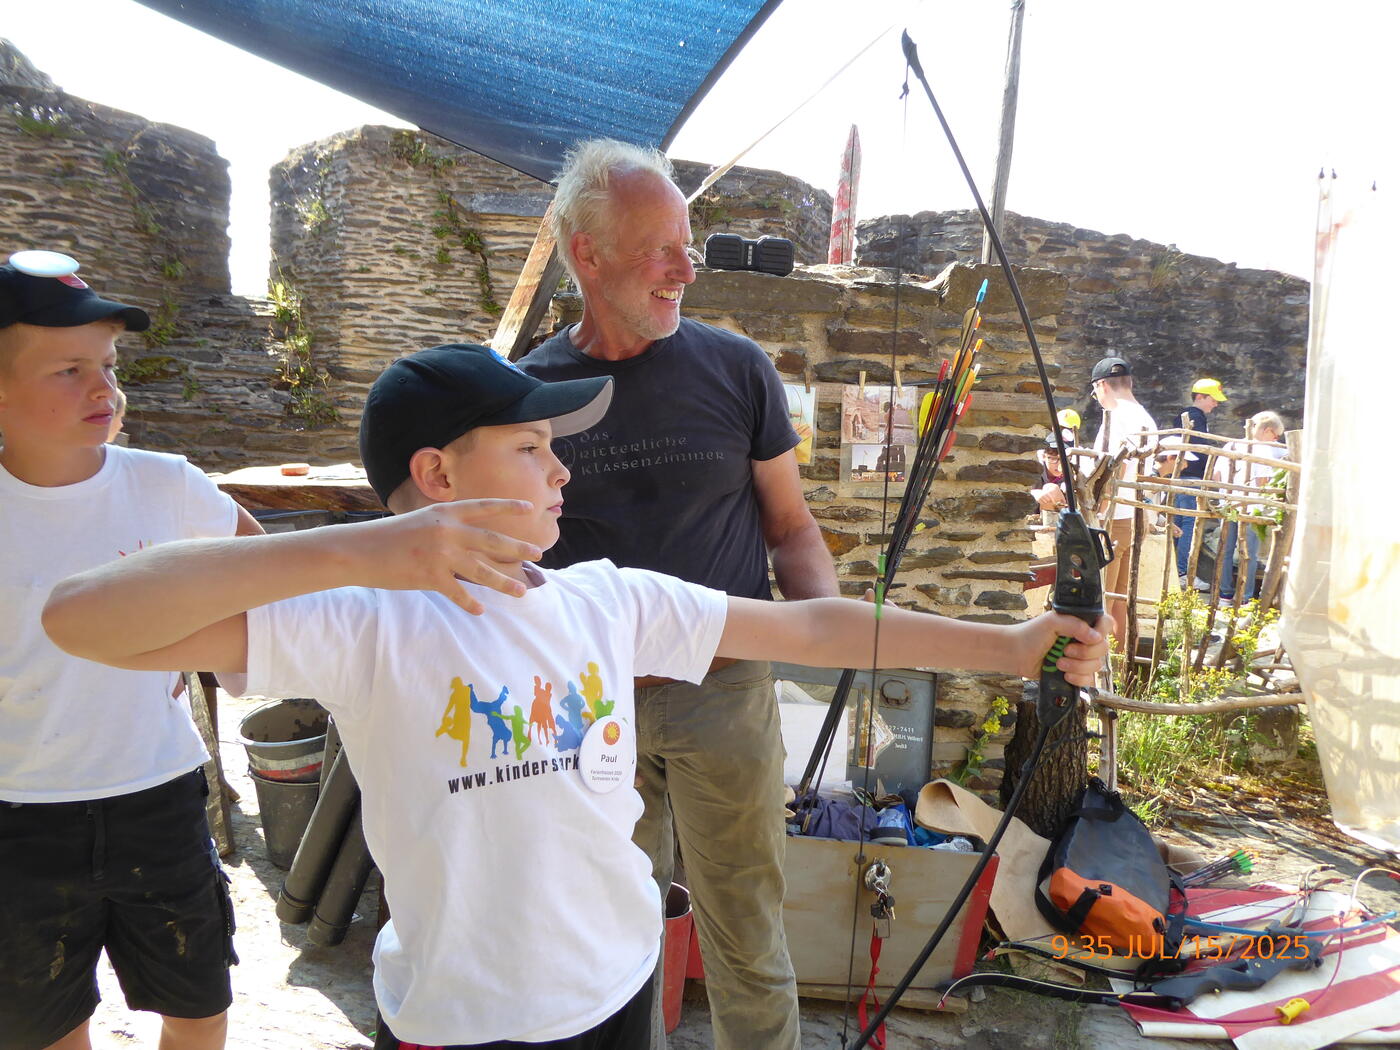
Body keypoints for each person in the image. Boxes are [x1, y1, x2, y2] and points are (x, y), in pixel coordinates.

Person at [41, 343, 1114, 1050]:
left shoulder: (607, 599)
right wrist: (369, 549)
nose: (561, 473)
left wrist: (1009, 645)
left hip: (614, 992)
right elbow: (80, 618)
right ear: (439, 477)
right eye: (530, 448)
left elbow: (811, 627)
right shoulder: (360, 620)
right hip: (454, 1018)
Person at [518, 139, 840, 1049]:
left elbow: (791, 527)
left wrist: (822, 635)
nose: (686, 270)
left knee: (746, 930)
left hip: (723, 692)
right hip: (592, 706)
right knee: (607, 939)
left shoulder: (736, 368)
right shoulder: (529, 393)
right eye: (660, 249)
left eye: (687, 245)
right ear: (588, 254)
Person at [0, 250, 261, 1050]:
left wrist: (191, 639)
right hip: (16, 813)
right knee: (46, 1028)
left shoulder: (165, 483)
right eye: (69, 370)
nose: (104, 389)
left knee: (198, 1009)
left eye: (108, 365)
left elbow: (259, 565)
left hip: (157, 794)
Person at [1088, 356, 1158, 651]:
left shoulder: (1116, 417)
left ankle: (1098, 667)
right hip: (1133, 517)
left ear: (1102, 385)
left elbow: (1113, 469)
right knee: (1119, 600)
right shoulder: (1145, 417)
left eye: (1095, 392)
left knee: (1101, 598)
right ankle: (1119, 664)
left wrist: (1097, 513)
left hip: (1113, 518)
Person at [1215, 411, 1286, 603]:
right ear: (1268, 430)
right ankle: (1245, 596)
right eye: (1276, 435)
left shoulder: (1230, 445)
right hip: (1251, 507)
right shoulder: (1263, 449)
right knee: (1248, 554)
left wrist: (1226, 495)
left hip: (1228, 505)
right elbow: (1263, 481)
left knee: (1225, 551)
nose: (1276, 440)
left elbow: (1216, 477)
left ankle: (1224, 594)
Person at [1173, 377, 1227, 588]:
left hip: (1183, 475)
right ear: (1200, 397)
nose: (1216, 404)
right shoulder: (1195, 416)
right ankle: (1183, 572)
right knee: (1189, 523)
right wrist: (1211, 467)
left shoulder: (1188, 416)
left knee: (1178, 523)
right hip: (1191, 477)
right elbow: (1198, 449)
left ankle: (1175, 571)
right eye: (1213, 399)